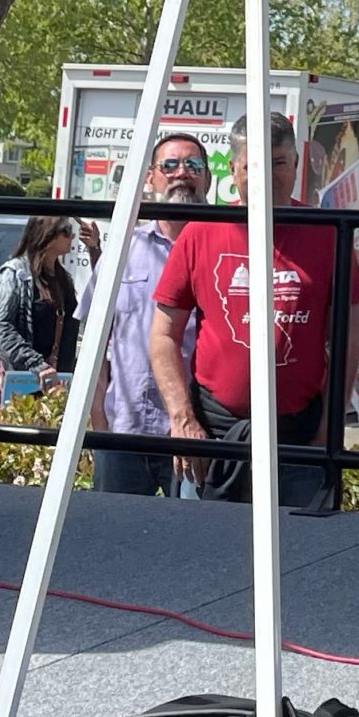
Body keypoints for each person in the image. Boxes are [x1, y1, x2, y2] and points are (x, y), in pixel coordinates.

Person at [148, 111, 359, 512]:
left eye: (278, 164)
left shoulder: (329, 233)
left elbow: (348, 339)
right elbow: (162, 334)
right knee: (205, 562)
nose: (266, 176)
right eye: (253, 166)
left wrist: (327, 429)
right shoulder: (201, 231)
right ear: (233, 169)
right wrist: (183, 419)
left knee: (301, 560)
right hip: (213, 439)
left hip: (299, 439)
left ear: (296, 165)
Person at [93, 134, 209, 497]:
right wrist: (99, 427)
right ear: (149, 178)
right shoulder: (122, 251)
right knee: (113, 543)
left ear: (207, 178)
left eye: (193, 166)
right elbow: (96, 347)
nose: (182, 174)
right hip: (123, 433)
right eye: (170, 165)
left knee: (192, 542)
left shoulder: (222, 248)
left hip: (195, 436)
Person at [0, 217, 82, 385]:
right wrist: (36, 364)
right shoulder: (15, 274)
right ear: (47, 235)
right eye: (66, 230)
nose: (72, 236)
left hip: (59, 381)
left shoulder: (64, 279)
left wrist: (94, 248)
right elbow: (4, 328)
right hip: (25, 381)